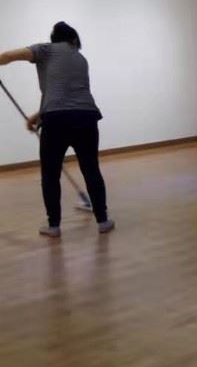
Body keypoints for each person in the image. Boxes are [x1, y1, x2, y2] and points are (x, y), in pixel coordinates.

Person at [0, 22, 114, 237]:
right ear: (73, 39)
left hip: (56, 121)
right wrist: (38, 115)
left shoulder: (45, 49)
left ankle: (54, 226)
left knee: (50, 175)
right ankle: (103, 221)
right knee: (91, 170)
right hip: (86, 117)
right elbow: (66, 95)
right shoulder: (81, 58)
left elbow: (6, 56)